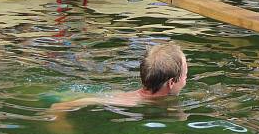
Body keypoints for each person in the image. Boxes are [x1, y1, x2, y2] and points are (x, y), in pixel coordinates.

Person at [50, 43, 188, 111]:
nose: (186, 80)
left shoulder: (156, 98)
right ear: (171, 82)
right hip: (54, 96)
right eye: (185, 75)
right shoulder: (128, 101)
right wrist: (59, 120)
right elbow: (59, 106)